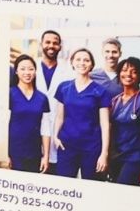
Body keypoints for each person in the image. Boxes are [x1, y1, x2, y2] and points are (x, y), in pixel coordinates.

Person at [51, 47, 111, 180]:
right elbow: (60, 116)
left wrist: (104, 154)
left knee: (90, 188)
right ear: (72, 63)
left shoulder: (101, 92)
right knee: (64, 187)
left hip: (91, 148)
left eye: (86, 60)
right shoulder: (64, 87)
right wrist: (55, 136)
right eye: (78, 59)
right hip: (66, 146)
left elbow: (105, 124)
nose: (82, 63)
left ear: (92, 65)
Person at [106, 57, 140, 187]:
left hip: (134, 158)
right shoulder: (114, 101)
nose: (128, 74)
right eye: (124, 70)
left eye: (134, 71)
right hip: (115, 158)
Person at [6, 54, 50, 172]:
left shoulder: (42, 98)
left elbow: (45, 129)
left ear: (35, 72)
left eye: (31, 69)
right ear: (16, 71)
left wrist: (45, 156)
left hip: (34, 154)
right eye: (23, 69)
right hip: (13, 153)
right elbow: (4, 125)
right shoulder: (9, 94)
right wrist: (5, 154)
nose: (27, 72)